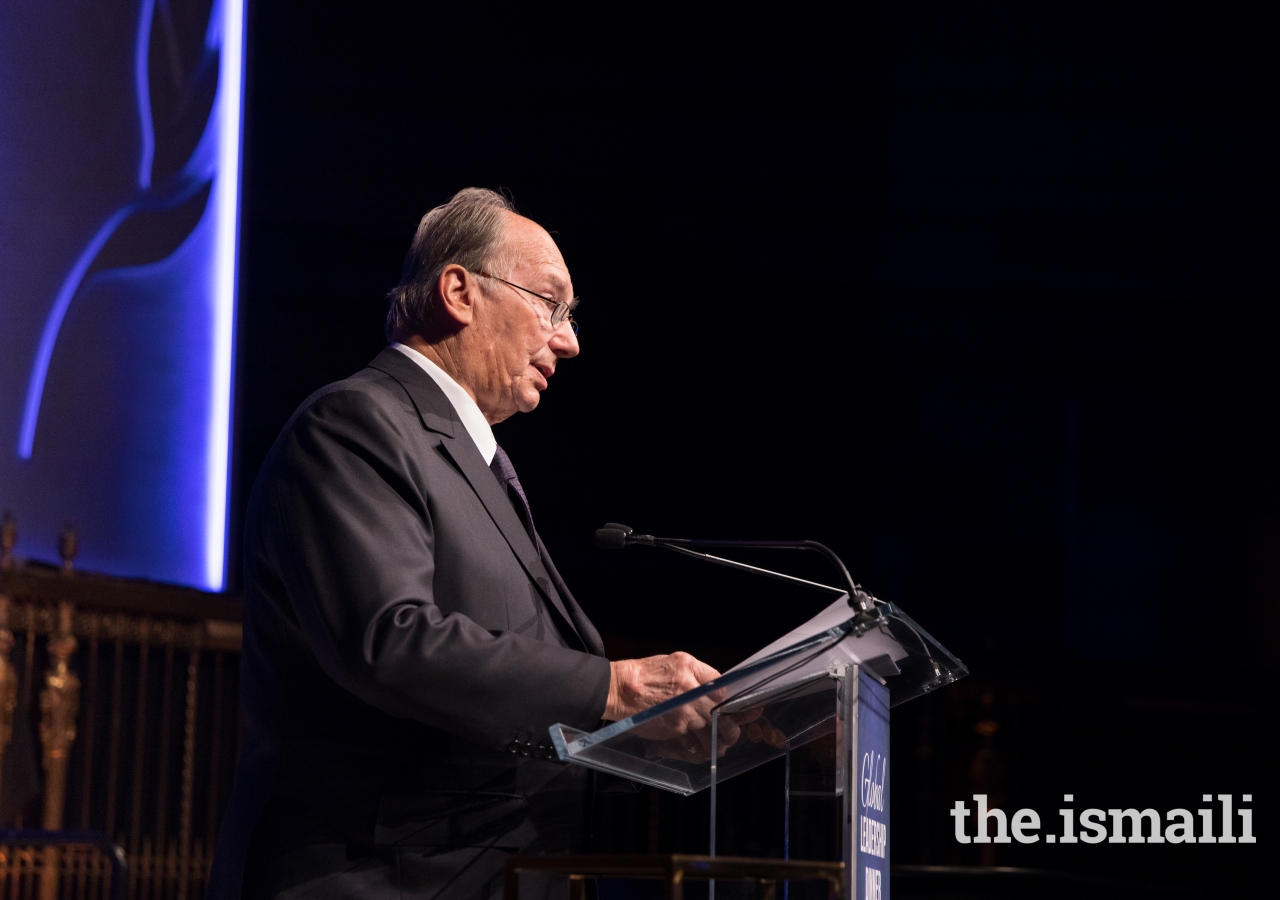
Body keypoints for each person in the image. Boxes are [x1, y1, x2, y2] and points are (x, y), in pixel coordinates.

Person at [209, 188, 722, 900]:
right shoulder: (354, 425)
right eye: (551, 303)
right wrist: (614, 687)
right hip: (374, 880)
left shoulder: (471, 459)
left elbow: (512, 683)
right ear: (459, 291)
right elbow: (390, 642)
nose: (569, 340)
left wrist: (653, 728)